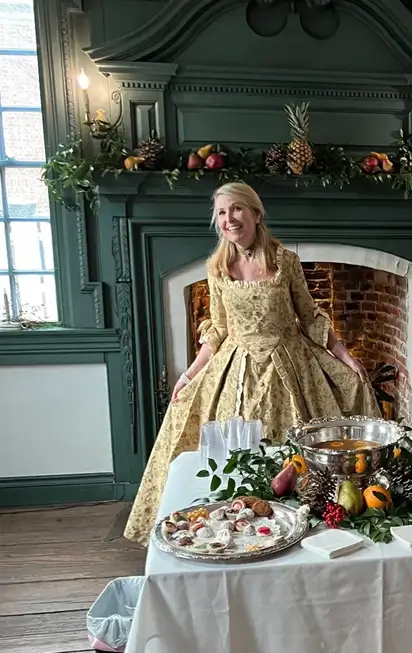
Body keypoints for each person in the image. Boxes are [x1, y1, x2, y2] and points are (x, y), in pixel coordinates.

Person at [123, 182, 381, 546]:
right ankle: (238, 529)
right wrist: (190, 375)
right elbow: (218, 331)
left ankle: (306, 527)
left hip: (289, 364)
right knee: (237, 452)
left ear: (256, 213)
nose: (230, 219)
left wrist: (345, 355)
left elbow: (308, 316)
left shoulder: (285, 261)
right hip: (236, 369)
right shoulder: (217, 268)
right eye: (223, 213)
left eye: (237, 209)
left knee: (300, 455)